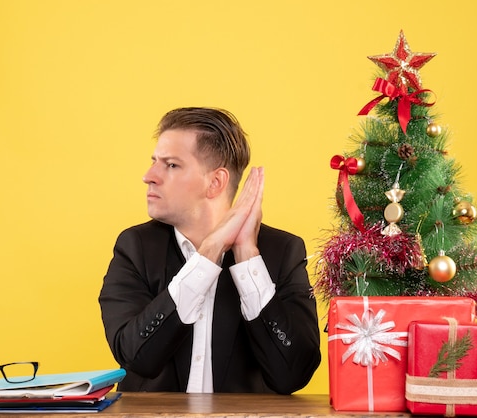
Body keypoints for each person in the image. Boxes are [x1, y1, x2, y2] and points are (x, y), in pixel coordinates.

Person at [99, 107, 321, 394]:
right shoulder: (135, 247)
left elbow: (293, 374)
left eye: (171, 165)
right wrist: (209, 254)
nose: (149, 175)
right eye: (154, 161)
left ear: (215, 182)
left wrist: (247, 258)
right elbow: (135, 357)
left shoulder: (283, 251)